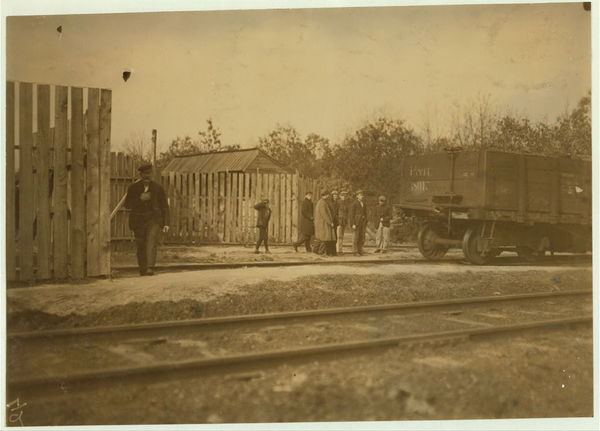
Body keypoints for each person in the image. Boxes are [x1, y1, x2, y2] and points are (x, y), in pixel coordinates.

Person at [124, 164, 170, 276]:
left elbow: (164, 206)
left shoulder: (158, 188)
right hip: (138, 220)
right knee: (141, 244)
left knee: (151, 242)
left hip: (153, 220)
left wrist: (166, 223)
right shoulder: (133, 188)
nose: (147, 176)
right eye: (144, 174)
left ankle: (150, 267)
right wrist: (139, 199)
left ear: (152, 174)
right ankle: (143, 268)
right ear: (140, 175)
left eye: (149, 174)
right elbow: (127, 205)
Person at [314, 190, 336, 256]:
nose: (328, 196)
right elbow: (324, 214)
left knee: (321, 238)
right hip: (323, 223)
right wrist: (330, 222)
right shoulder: (322, 203)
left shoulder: (321, 202)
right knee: (324, 238)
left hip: (322, 223)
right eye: (327, 195)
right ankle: (321, 252)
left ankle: (316, 251)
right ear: (325, 195)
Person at [349, 189, 368, 256]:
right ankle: (355, 251)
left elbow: (365, 213)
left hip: (362, 223)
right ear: (357, 196)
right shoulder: (354, 204)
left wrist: (366, 220)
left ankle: (360, 250)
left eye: (362, 195)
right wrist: (353, 224)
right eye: (360, 195)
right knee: (355, 237)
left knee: (361, 237)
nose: (362, 196)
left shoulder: (363, 203)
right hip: (356, 223)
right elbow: (351, 215)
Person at [336, 190, 350, 255]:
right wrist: (337, 220)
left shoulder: (346, 203)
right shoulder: (338, 202)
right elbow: (336, 212)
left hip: (344, 221)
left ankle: (340, 250)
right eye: (342, 196)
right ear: (340, 196)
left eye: (345, 196)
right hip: (339, 221)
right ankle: (338, 250)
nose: (344, 197)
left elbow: (347, 212)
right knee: (338, 236)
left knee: (342, 236)